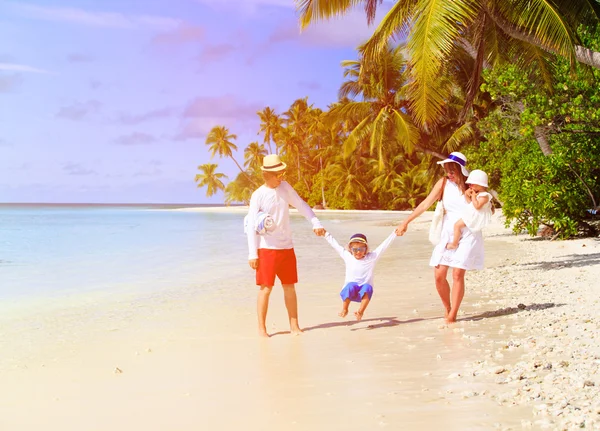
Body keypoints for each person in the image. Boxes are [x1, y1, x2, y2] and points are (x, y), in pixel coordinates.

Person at [395, 152, 484, 324]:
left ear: (460, 169)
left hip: (468, 232)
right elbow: (425, 204)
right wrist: (406, 222)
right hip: (448, 232)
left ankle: (452, 316)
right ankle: (447, 307)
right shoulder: (443, 183)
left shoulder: (470, 185)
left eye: (452, 170)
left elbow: (485, 203)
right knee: (439, 275)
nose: (448, 173)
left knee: (458, 273)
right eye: (446, 169)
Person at [246, 154, 325, 338]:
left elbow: (301, 205)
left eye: (282, 173)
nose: (281, 176)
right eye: (278, 174)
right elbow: (251, 225)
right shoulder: (258, 195)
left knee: (290, 287)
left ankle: (294, 326)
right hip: (266, 249)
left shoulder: (285, 188)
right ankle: (262, 329)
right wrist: (252, 254)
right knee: (266, 289)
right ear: (267, 174)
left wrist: (316, 223)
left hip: (287, 248)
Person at [323, 231, 397, 321]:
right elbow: (335, 244)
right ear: (350, 249)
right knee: (351, 285)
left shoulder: (372, 257)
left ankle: (360, 312)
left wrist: (395, 233)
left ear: (366, 249)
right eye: (355, 249)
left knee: (367, 287)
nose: (358, 252)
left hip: (363, 294)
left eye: (361, 249)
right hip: (349, 292)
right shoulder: (348, 256)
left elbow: (384, 245)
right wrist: (325, 234)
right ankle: (345, 309)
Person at [446, 169, 493, 250]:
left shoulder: (484, 196)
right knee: (457, 225)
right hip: (472, 214)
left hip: (475, 217)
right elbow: (470, 204)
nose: (470, 186)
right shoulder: (478, 193)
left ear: (480, 184)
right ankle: (458, 240)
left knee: (457, 225)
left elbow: (477, 206)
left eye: (471, 184)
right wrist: (467, 195)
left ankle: (454, 243)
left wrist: (474, 196)